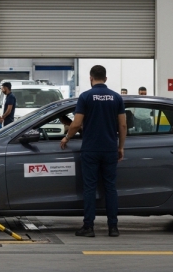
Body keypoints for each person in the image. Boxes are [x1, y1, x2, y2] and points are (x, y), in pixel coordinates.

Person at [60, 66, 126, 238]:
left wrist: (67, 138)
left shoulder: (86, 97)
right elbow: (123, 125)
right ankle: (113, 228)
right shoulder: (116, 97)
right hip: (110, 148)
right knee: (110, 188)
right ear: (105, 78)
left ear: (91, 78)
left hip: (90, 149)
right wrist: (121, 147)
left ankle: (88, 227)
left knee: (90, 188)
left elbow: (75, 124)